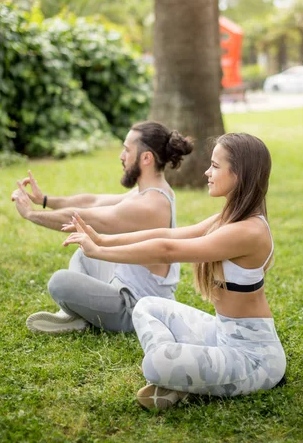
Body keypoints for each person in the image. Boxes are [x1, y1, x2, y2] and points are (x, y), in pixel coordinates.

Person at [63, 132, 286, 410]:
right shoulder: (230, 217)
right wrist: (103, 239)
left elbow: (168, 249)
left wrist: (100, 252)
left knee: (155, 365)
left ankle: (180, 377)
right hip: (221, 334)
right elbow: (172, 234)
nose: (207, 171)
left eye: (215, 166)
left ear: (239, 173)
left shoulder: (248, 231)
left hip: (253, 359)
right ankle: (186, 378)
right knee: (146, 307)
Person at [11, 121, 193, 335]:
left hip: (138, 310)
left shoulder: (150, 205)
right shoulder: (152, 192)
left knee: (59, 282)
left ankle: (79, 316)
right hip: (124, 285)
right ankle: (76, 317)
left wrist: (31, 214)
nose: (121, 156)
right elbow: (94, 201)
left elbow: (84, 217)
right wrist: (45, 200)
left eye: (127, 149)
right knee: (84, 255)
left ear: (146, 158)